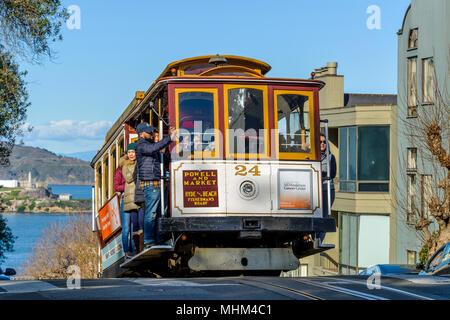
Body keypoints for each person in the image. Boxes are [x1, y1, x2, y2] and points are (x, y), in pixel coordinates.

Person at [135, 122, 176, 249]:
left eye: (152, 131)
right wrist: (169, 138)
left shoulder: (149, 144)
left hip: (157, 182)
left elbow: (156, 149)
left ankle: (158, 238)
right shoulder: (140, 145)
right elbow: (153, 149)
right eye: (149, 132)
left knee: (159, 213)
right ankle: (148, 240)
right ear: (141, 134)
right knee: (151, 213)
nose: (152, 134)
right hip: (151, 183)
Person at [120, 143, 145, 256]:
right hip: (130, 199)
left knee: (141, 223)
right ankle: (132, 250)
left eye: (133, 152)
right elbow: (129, 178)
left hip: (139, 196)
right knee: (132, 225)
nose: (131, 154)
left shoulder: (140, 163)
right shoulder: (125, 166)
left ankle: (141, 247)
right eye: (129, 152)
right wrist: (137, 168)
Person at [318, 133, 336, 243]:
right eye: (320, 142)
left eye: (324, 142)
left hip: (327, 189)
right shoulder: (310, 156)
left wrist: (320, 173)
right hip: (314, 190)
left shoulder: (330, 157)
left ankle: (320, 240)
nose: (322, 144)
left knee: (324, 216)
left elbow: (333, 173)